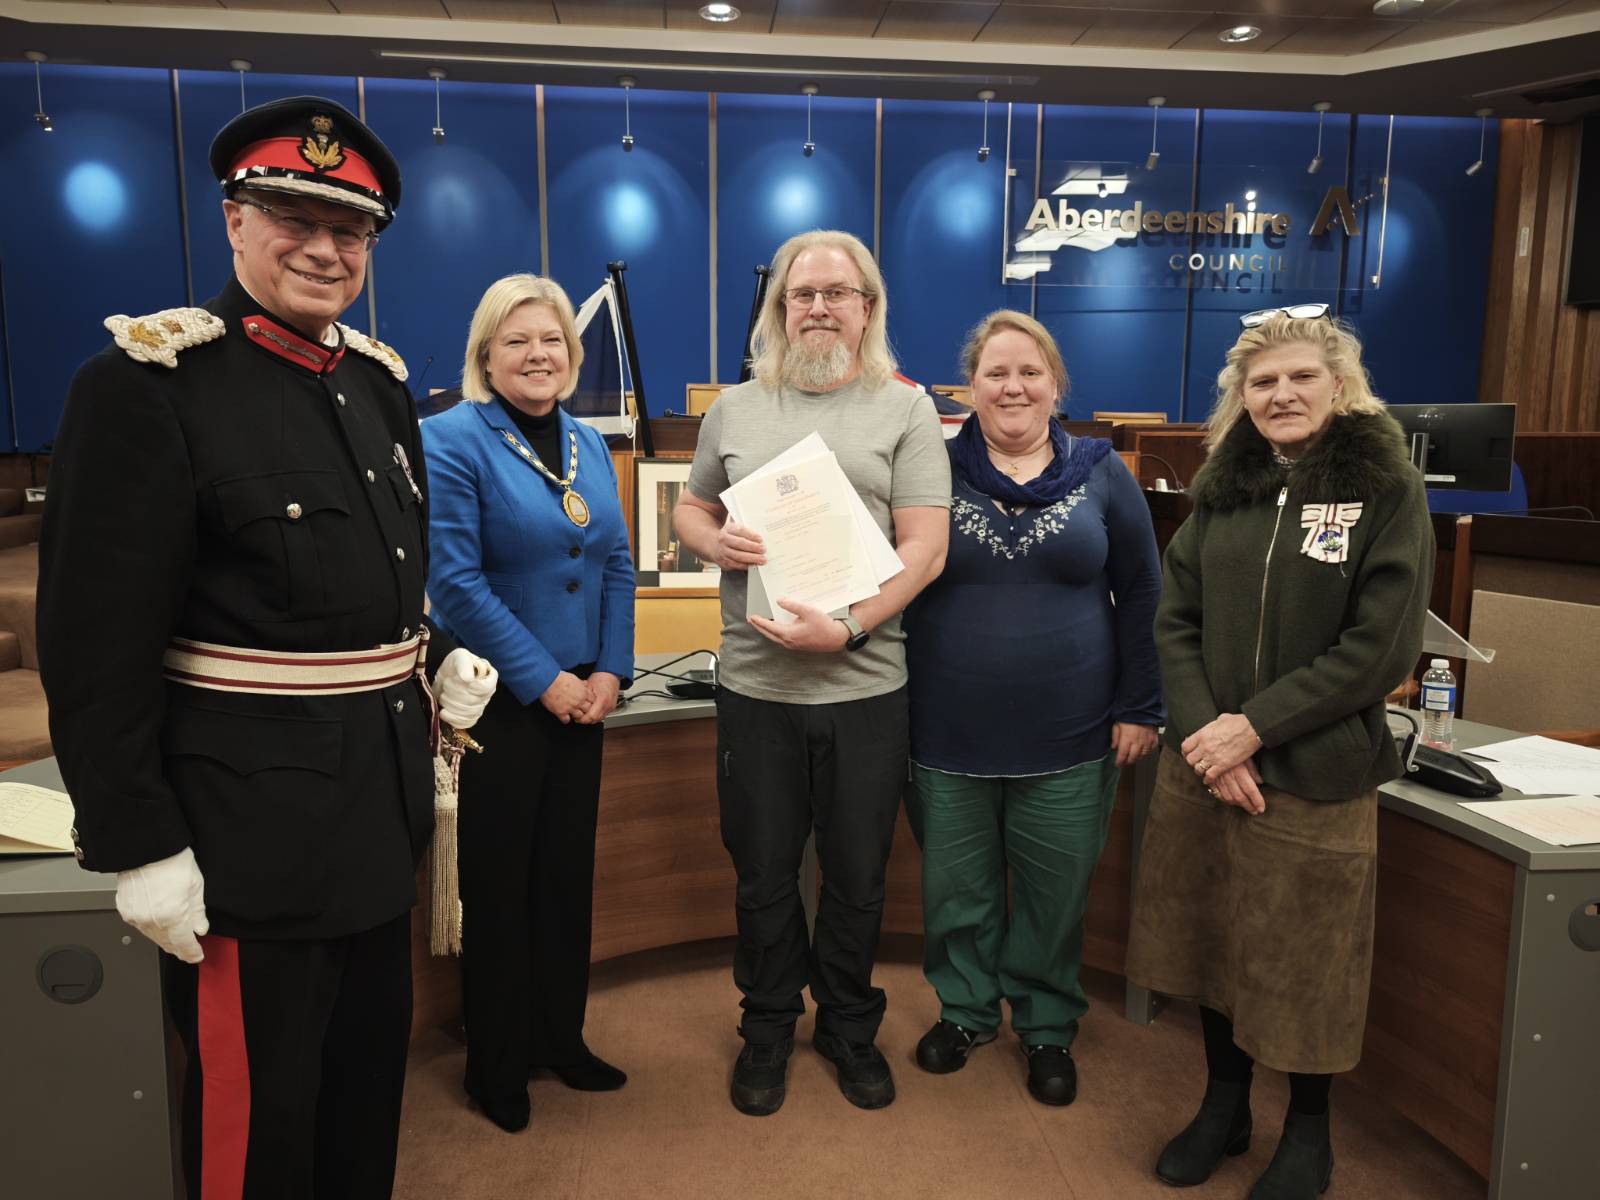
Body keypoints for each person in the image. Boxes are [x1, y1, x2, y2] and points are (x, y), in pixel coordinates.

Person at [37, 96, 497, 1199]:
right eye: (292, 216)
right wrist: (136, 841)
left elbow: (373, 588)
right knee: (259, 1127)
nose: (325, 250)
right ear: (235, 221)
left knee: (358, 1103)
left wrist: (425, 663)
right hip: (244, 839)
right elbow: (93, 646)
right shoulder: (147, 387)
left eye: (350, 232)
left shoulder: (380, 386)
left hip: (376, 823)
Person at [1124, 305, 1432, 1200]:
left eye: (1301, 376)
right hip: (1209, 767)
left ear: (1340, 384)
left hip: (1316, 774)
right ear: (1240, 397)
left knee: (1308, 962)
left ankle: (1308, 1131)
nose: (1282, 393)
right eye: (1262, 382)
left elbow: (1382, 648)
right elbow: (1174, 620)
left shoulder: (1383, 486)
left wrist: (1252, 729)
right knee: (1213, 941)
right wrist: (1210, 740)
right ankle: (1225, 1106)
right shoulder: (1225, 484)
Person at [672, 229, 950, 1116]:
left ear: (869, 308)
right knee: (760, 871)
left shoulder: (907, 411)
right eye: (802, 295)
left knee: (859, 874)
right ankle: (765, 1028)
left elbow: (926, 549)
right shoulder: (735, 409)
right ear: (779, 310)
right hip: (755, 690)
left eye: (838, 293)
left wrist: (853, 626)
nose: (820, 308)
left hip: (866, 689)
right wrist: (716, 539)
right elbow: (689, 506)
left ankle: (847, 1026)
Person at [902, 310, 1163, 1106]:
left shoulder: (1103, 471)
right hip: (944, 731)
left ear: (1056, 385)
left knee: (1055, 896)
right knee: (956, 894)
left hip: (1075, 734)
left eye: (1030, 371)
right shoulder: (929, 470)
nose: (1013, 386)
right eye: (995, 372)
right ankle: (966, 1011)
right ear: (967, 387)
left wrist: (1141, 707)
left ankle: (1047, 1024)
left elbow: (1144, 593)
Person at [421, 274, 636, 1134]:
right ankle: (496, 1062)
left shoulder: (587, 439)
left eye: (551, 341)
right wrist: (546, 680)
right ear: (484, 356)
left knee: (564, 878)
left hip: (585, 696)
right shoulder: (451, 439)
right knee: (501, 885)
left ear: (572, 354)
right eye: (516, 342)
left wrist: (611, 673)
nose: (538, 355)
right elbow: (456, 583)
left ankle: (562, 1039)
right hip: (502, 704)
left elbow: (617, 563)